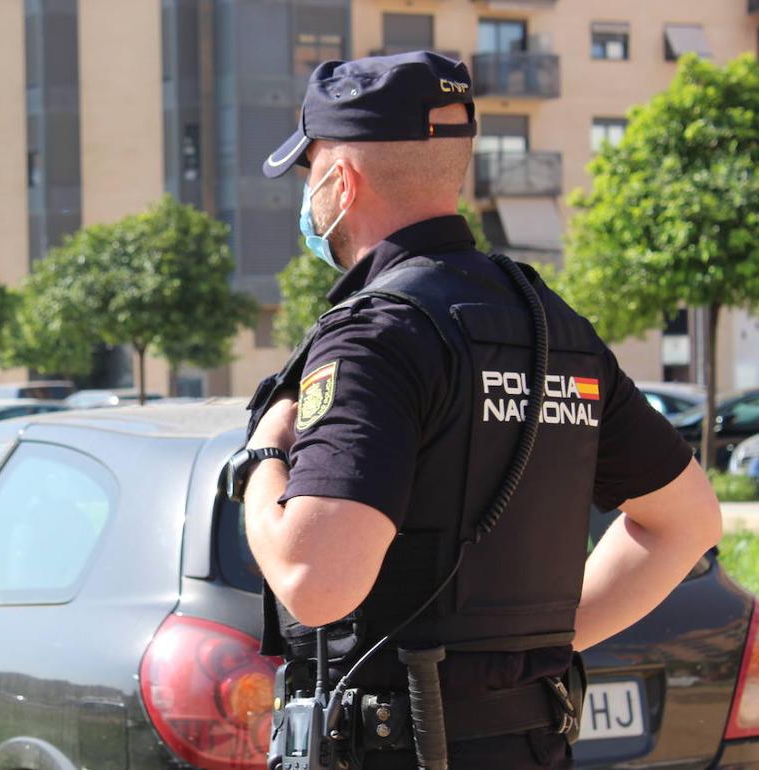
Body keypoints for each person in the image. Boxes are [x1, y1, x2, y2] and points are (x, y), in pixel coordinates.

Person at [233, 52, 722, 769]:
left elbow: (315, 582)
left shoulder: (376, 337)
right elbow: (687, 522)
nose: (308, 200)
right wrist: (525, 657)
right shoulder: (554, 326)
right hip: (529, 746)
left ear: (341, 178)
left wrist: (263, 455)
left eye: (309, 177)